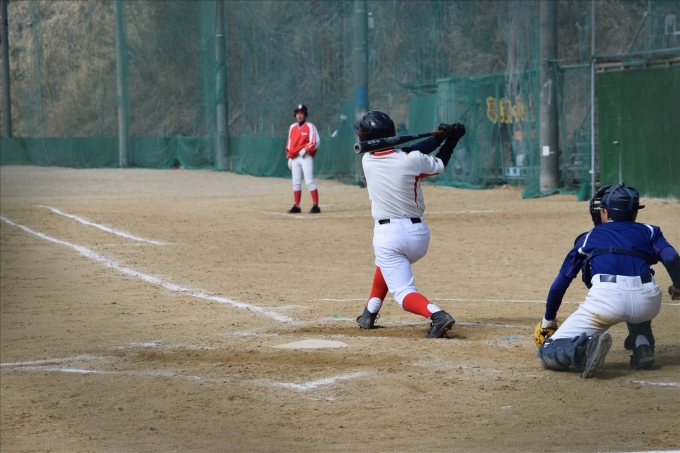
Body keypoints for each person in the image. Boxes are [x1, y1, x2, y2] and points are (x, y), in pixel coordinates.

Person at [535, 183, 680, 378]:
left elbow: (561, 283)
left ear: (605, 212)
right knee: (636, 303)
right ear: (635, 212)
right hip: (648, 301)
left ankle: (585, 348)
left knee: (546, 352)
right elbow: (671, 258)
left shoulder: (589, 236)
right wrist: (678, 285)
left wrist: (549, 320)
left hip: (607, 300)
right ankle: (643, 344)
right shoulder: (650, 230)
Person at [354, 110, 466, 338]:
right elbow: (434, 161)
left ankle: (437, 315)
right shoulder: (411, 160)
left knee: (404, 293)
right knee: (387, 263)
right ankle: (369, 312)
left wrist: (439, 137)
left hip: (388, 235)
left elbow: (411, 151)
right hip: (418, 236)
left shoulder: (367, 161)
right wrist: (449, 141)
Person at [286, 104, 321, 214]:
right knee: (295, 182)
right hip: (295, 157)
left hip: (305, 156)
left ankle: (316, 206)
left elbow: (315, 141)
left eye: (301, 113)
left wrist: (305, 149)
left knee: (309, 181)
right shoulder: (292, 127)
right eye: (297, 113)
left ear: (305, 114)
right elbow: (289, 143)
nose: (299, 115)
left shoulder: (310, 126)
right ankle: (297, 206)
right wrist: (289, 156)